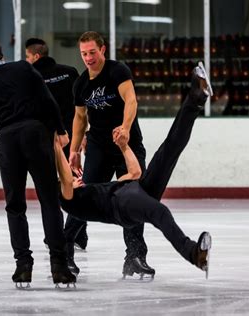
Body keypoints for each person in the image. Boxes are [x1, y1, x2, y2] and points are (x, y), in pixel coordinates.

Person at [55, 63, 213, 279]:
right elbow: (63, 175)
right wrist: (60, 145)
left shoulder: (91, 189)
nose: (75, 179)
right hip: (123, 204)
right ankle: (194, 254)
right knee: (160, 212)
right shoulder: (71, 200)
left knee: (169, 150)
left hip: (133, 188)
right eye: (71, 181)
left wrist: (123, 146)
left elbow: (135, 174)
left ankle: (195, 98)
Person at [0, 39, 76, 287]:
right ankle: (59, 267)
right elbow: (47, 100)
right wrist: (61, 130)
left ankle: (22, 266)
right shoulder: (23, 68)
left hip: (8, 143)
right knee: (49, 202)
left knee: (15, 206)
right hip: (36, 136)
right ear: (1, 55)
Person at [67, 31, 153, 278]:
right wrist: (74, 150)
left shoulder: (118, 71)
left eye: (92, 52)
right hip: (98, 148)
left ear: (103, 50)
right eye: (84, 54)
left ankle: (135, 256)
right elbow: (80, 118)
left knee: (134, 199)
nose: (88, 58)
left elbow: (131, 101)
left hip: (128, 146)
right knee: (83, 198)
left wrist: (125, 127)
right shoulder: (81, 83)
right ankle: (64, 253)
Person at [24, 38, 88, 252]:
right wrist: (84, 134)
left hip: (48, 139)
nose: (26, 61)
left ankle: (57, 233)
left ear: (35, 56)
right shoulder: (70, 71)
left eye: (27, 56)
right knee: (74, 184)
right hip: (73, 139)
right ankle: (79, 233)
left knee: (51, 188)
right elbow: (84, 105)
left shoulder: (32, 77)